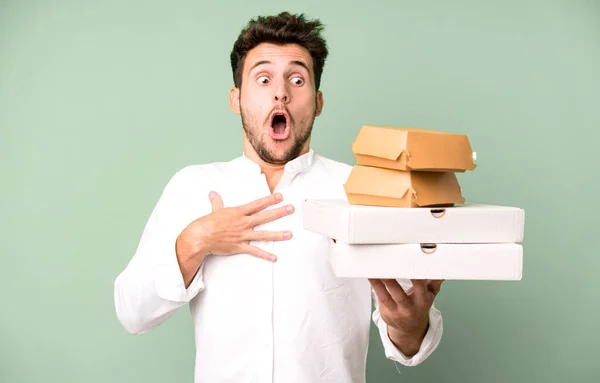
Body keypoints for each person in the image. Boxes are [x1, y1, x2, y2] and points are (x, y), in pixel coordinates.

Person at [114, 11, 444, 383]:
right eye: (264, 78)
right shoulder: (191, 187)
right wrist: (197, 240)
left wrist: (409, 326)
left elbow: (407, 324)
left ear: (317, 102)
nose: (281, 91)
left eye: (297, 79)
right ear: (236, 99)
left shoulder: (361, 192)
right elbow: (132, 312)